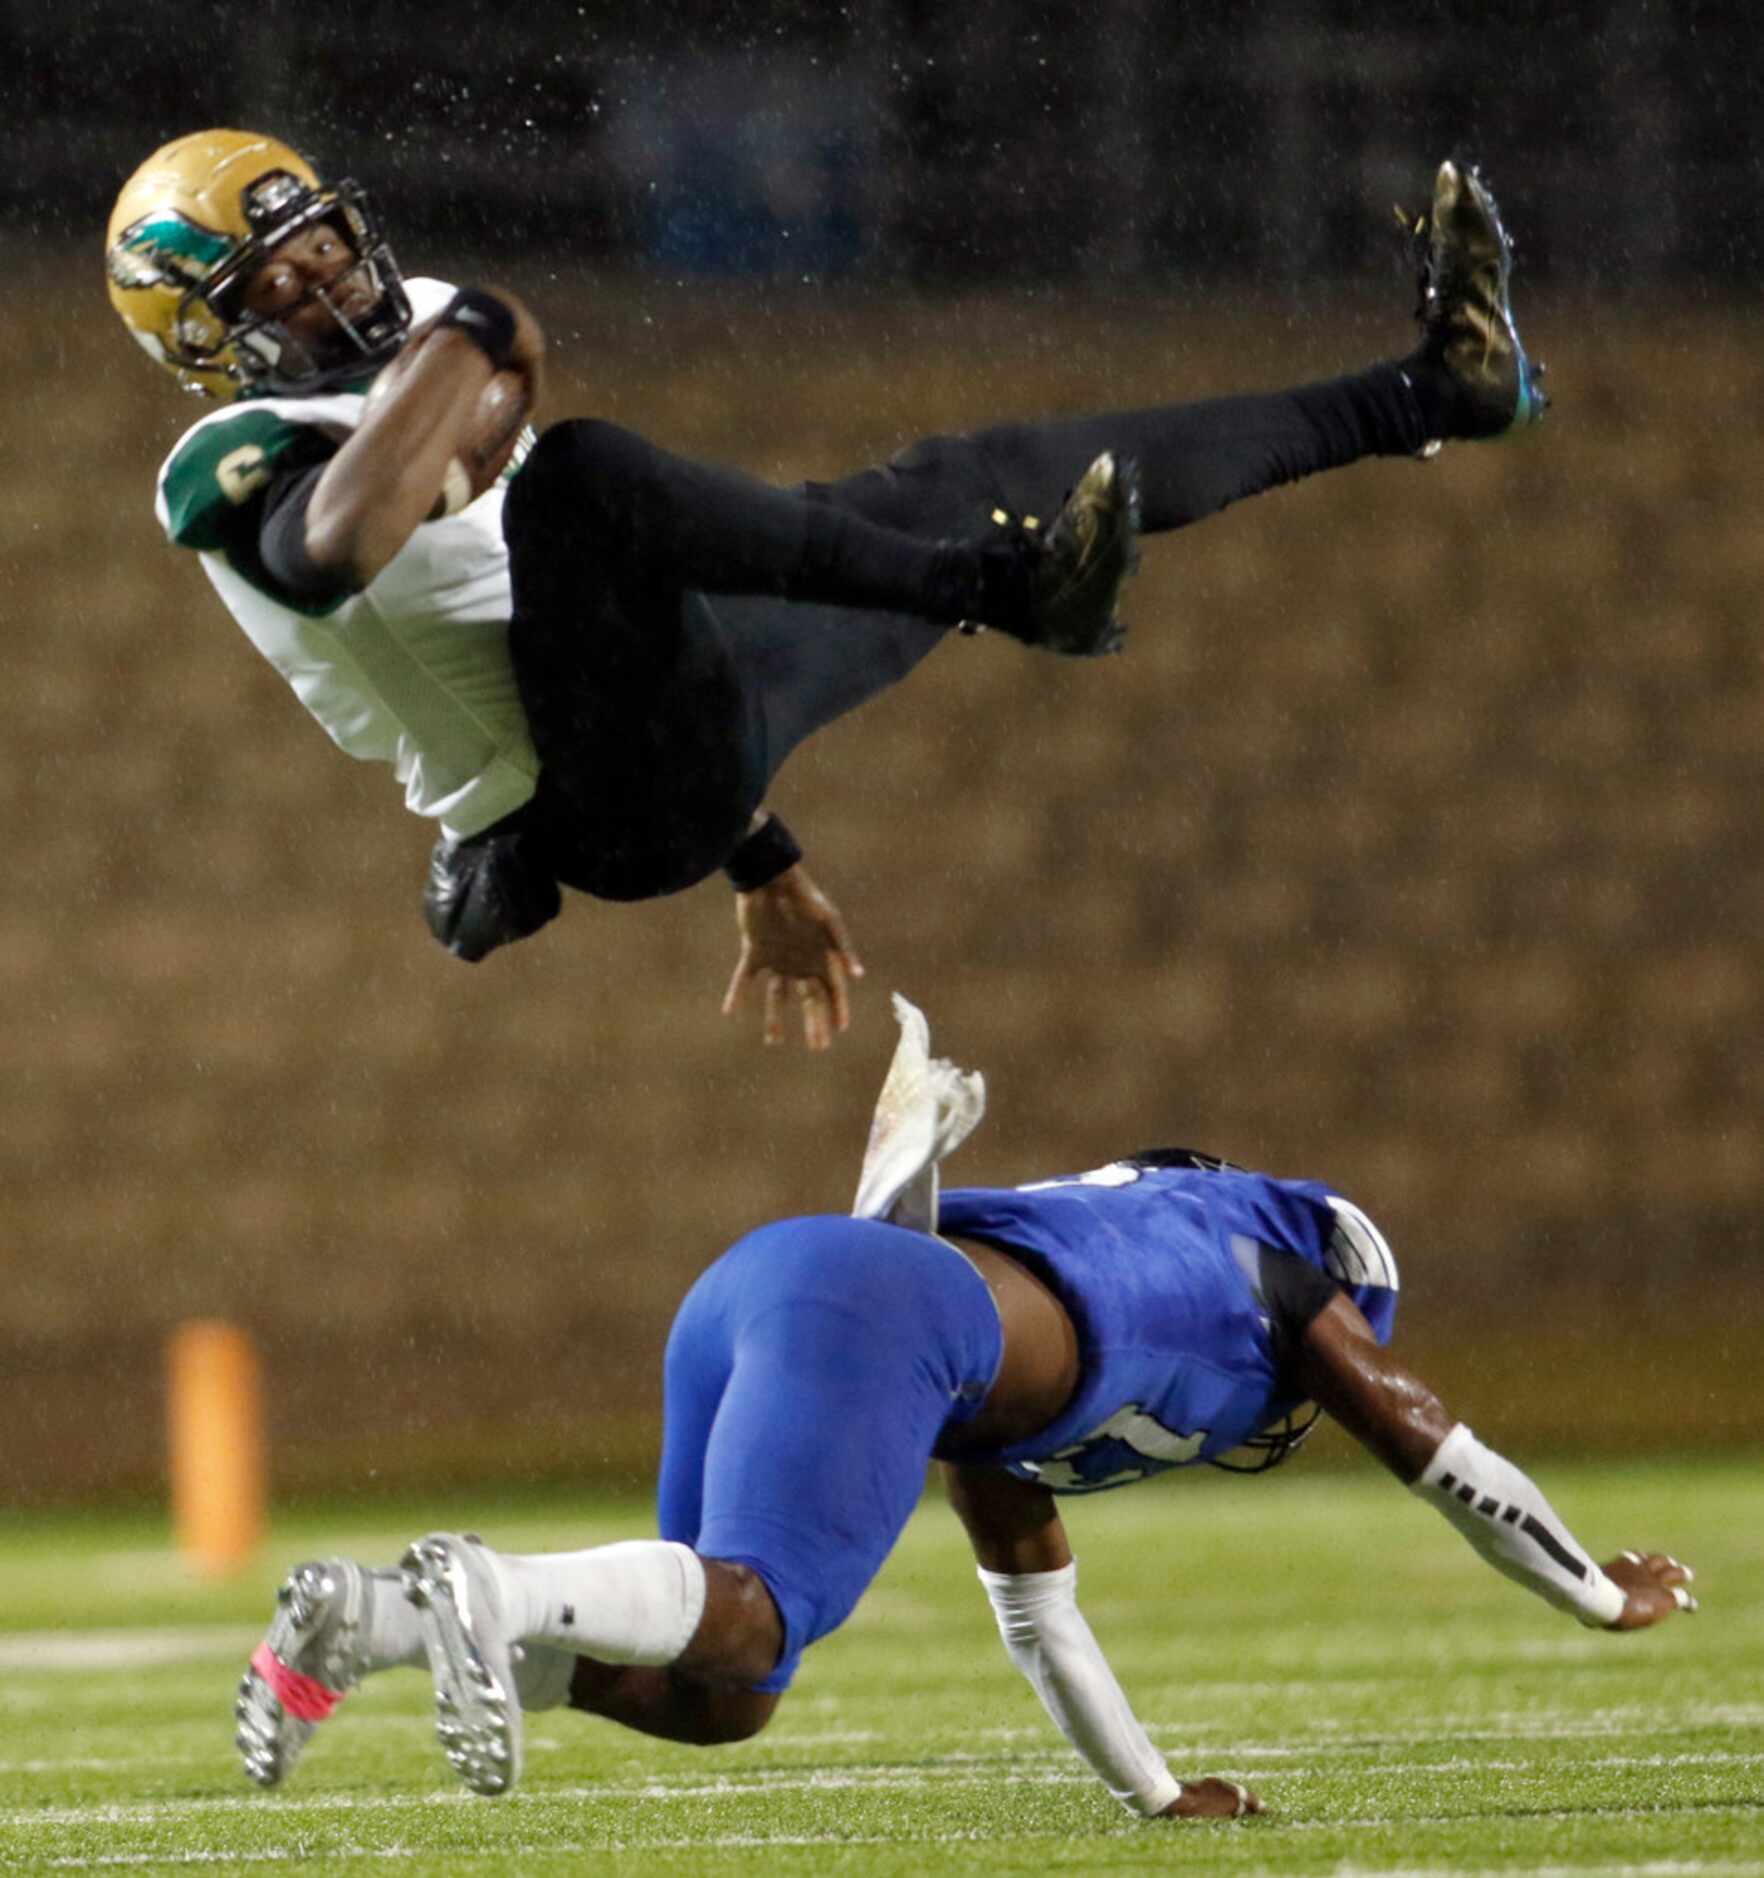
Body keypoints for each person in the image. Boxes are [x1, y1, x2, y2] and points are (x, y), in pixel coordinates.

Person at [109, 135, 1544, 1047]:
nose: (328, 288)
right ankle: (1002, 587)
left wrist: (763, 851)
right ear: (206, 345)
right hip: (587, 809)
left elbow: (616, 618)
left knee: (981, 466)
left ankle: (1432, 389)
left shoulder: (422, 319)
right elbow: (335, 549)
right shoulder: (229, 457)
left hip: (691, 717)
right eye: (272, 288)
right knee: (582, 479)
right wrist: (485, 334)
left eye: (325, 248)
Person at [235, 999, 1695, 1821]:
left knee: (724, 1691)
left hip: (773, 1284)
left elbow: (1037, 1618)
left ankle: (371, 1622)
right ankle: (491, 1580)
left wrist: (1155, 1795)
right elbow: (1432, 1442)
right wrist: (1594, 1593)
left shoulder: (1100, 1294)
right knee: (755, 1612)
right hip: (881, 1309)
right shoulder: (1275, 1268)